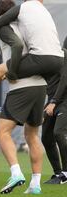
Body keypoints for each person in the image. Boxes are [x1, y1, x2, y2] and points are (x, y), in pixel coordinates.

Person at [0, 0, 46, 195]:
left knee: (2, 133)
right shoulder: (28, 27)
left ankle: (16, 172)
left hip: (21, 87)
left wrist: (11, 71)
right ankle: (35, 185)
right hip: (40, 86)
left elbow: (17, 50)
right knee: (32, 135)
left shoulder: (4, 28)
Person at [42, 46, 67, 184]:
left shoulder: (63, 53)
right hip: (51, 101)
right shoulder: (43, 55)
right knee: (46, 137)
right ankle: (58, 174)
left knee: (59, 133)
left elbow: (65, 78)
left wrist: (54, 101)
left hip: (63, 101)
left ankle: (66, 173)